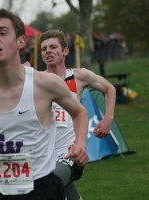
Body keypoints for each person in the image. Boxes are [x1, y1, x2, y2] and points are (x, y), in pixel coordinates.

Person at [0, 9, 89, 200]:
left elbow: (79, 112)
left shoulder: (45, 84)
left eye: (2, 33)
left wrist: (80, 144)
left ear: (21, 41)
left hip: (42, 188)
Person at [39, 30, 116, 200]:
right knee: (63, 190)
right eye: (44, 49)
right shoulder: (36, 80)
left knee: (48, 188)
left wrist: (108, 119)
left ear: (65, 51)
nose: (48, 51)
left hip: (70, 153)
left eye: (53, 47)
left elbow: (109, 88)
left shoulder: (78, 76)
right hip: (42, 154)